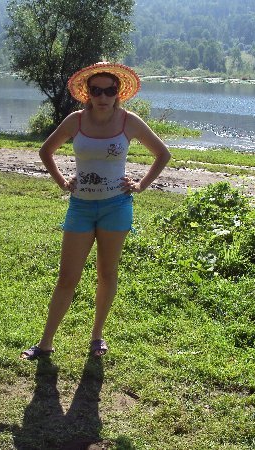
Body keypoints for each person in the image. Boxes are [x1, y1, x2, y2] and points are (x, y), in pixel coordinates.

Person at [20, 62, 171, 359]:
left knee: (107, 273)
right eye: (96, 90)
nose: (103, 96)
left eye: (110, 90)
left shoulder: (129, 122)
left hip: (117, 207)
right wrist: (63, 182)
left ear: (119, 93)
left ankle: (97, 336)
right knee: (67, 277)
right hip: (81, 207)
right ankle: (45, 343)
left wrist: (140, 185)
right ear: (87, 93)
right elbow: (46, 151)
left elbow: (162, 154)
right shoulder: (75, 121)